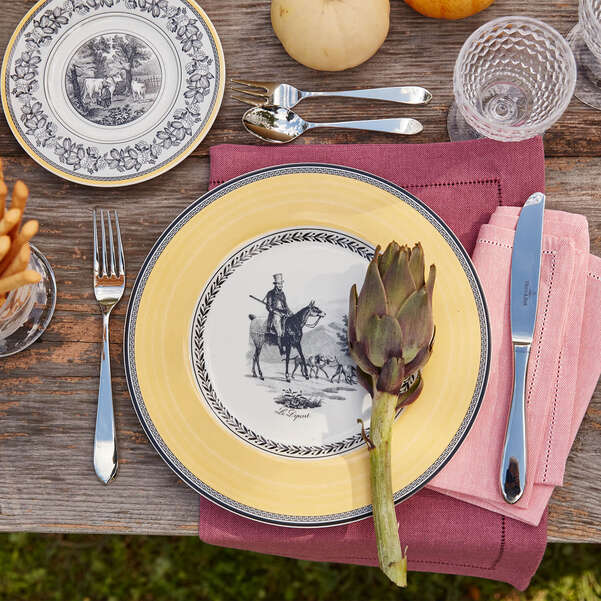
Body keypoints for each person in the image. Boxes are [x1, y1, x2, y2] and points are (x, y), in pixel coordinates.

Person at [265, 273, 291, 355]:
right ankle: (281, 349)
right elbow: (268, 307)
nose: (280, 285)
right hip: (275, 314)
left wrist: (290, 312)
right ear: (275, 284)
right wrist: (275, 311)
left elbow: (286, 305)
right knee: (279, 331)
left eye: (281, 284)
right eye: (279, 284)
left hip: (284, 312)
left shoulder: (282, 293)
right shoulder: (270, 293)